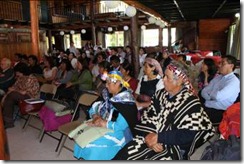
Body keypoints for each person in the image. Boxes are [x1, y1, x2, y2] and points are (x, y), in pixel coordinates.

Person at [113, 60, 215, 160]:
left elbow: (189, 134)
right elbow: (149, 116)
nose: (163, 80)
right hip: (151, 136)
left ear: (179, 81)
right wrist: (149, 137)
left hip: (172, 146)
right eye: (164, 76)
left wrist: (159, 138)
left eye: (167, 77)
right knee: (126, 153)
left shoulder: (191, 103)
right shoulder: (160, 94)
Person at [73, 70, 138, 160]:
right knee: (81, 134)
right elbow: (94, 107)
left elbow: (121, 126)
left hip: (118, 132)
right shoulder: (106, 94)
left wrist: (103, 123)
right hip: (101, 123)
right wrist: (95, 116)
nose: (106, 85)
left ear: (118, 83)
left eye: (108, 83)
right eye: (106, 82)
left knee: (92, 144)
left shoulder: (126, 101)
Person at [200, 55, 240, 124]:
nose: (219, 65)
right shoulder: (218, 77)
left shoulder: (233, 81)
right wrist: (211, 97)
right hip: (207, 105)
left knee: (194, 117)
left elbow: (218, 97)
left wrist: (209, 94)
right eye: (220, 63)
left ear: (231, 66)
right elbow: (204, 91)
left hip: (220, 111)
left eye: (223, 63)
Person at [1, 64, 40, 129]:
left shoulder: (31, 79)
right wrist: (5, 96)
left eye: (18, 72)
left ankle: (7, 121)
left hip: (31, 99)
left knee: (12, 94)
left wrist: (13, 90)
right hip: (20, 96)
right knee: (9, 97)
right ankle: (8, 122)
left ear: (23, 71)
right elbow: (12, 88)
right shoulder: (21, 78)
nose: (16, 74)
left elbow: (23, 92)